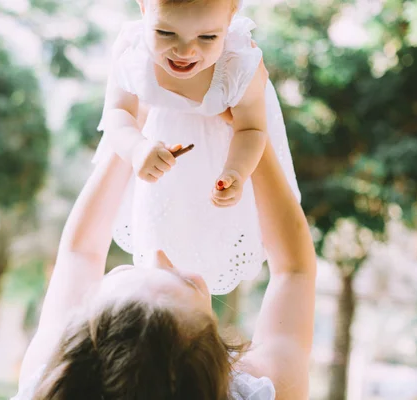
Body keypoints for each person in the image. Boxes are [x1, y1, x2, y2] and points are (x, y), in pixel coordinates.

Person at [10, 135, 316, 399]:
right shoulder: (262, 389)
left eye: (125, 272)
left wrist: (130, 138)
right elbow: (294, 272)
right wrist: (251, 139)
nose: (158, 254)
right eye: (188, 283)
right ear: (220, 359)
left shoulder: (51, 380)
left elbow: (81, 253)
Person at [93, 0, 301, 295]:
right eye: (166, 33)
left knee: (213, 230)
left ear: (230, 19)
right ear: (143, 10)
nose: (185, 51)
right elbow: (116, 114)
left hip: (222, 152)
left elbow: (251, 129)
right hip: (156, 150)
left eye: (207, 37)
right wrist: (136, 148)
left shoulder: (238, 64)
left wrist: (236, 172)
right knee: (160, 241)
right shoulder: (132, 50)